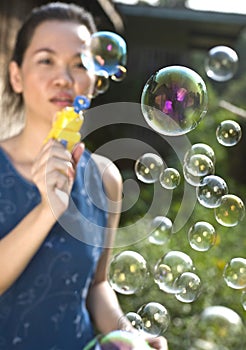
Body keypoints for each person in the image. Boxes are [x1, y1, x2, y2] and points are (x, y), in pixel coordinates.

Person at [0, 2, 168, 350]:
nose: (64, 77)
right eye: (46, 60)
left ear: (95, 81)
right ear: (16, 76)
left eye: (81, 64)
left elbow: (96, 286)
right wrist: (47, 209)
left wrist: (130, 338)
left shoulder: (105, 178)